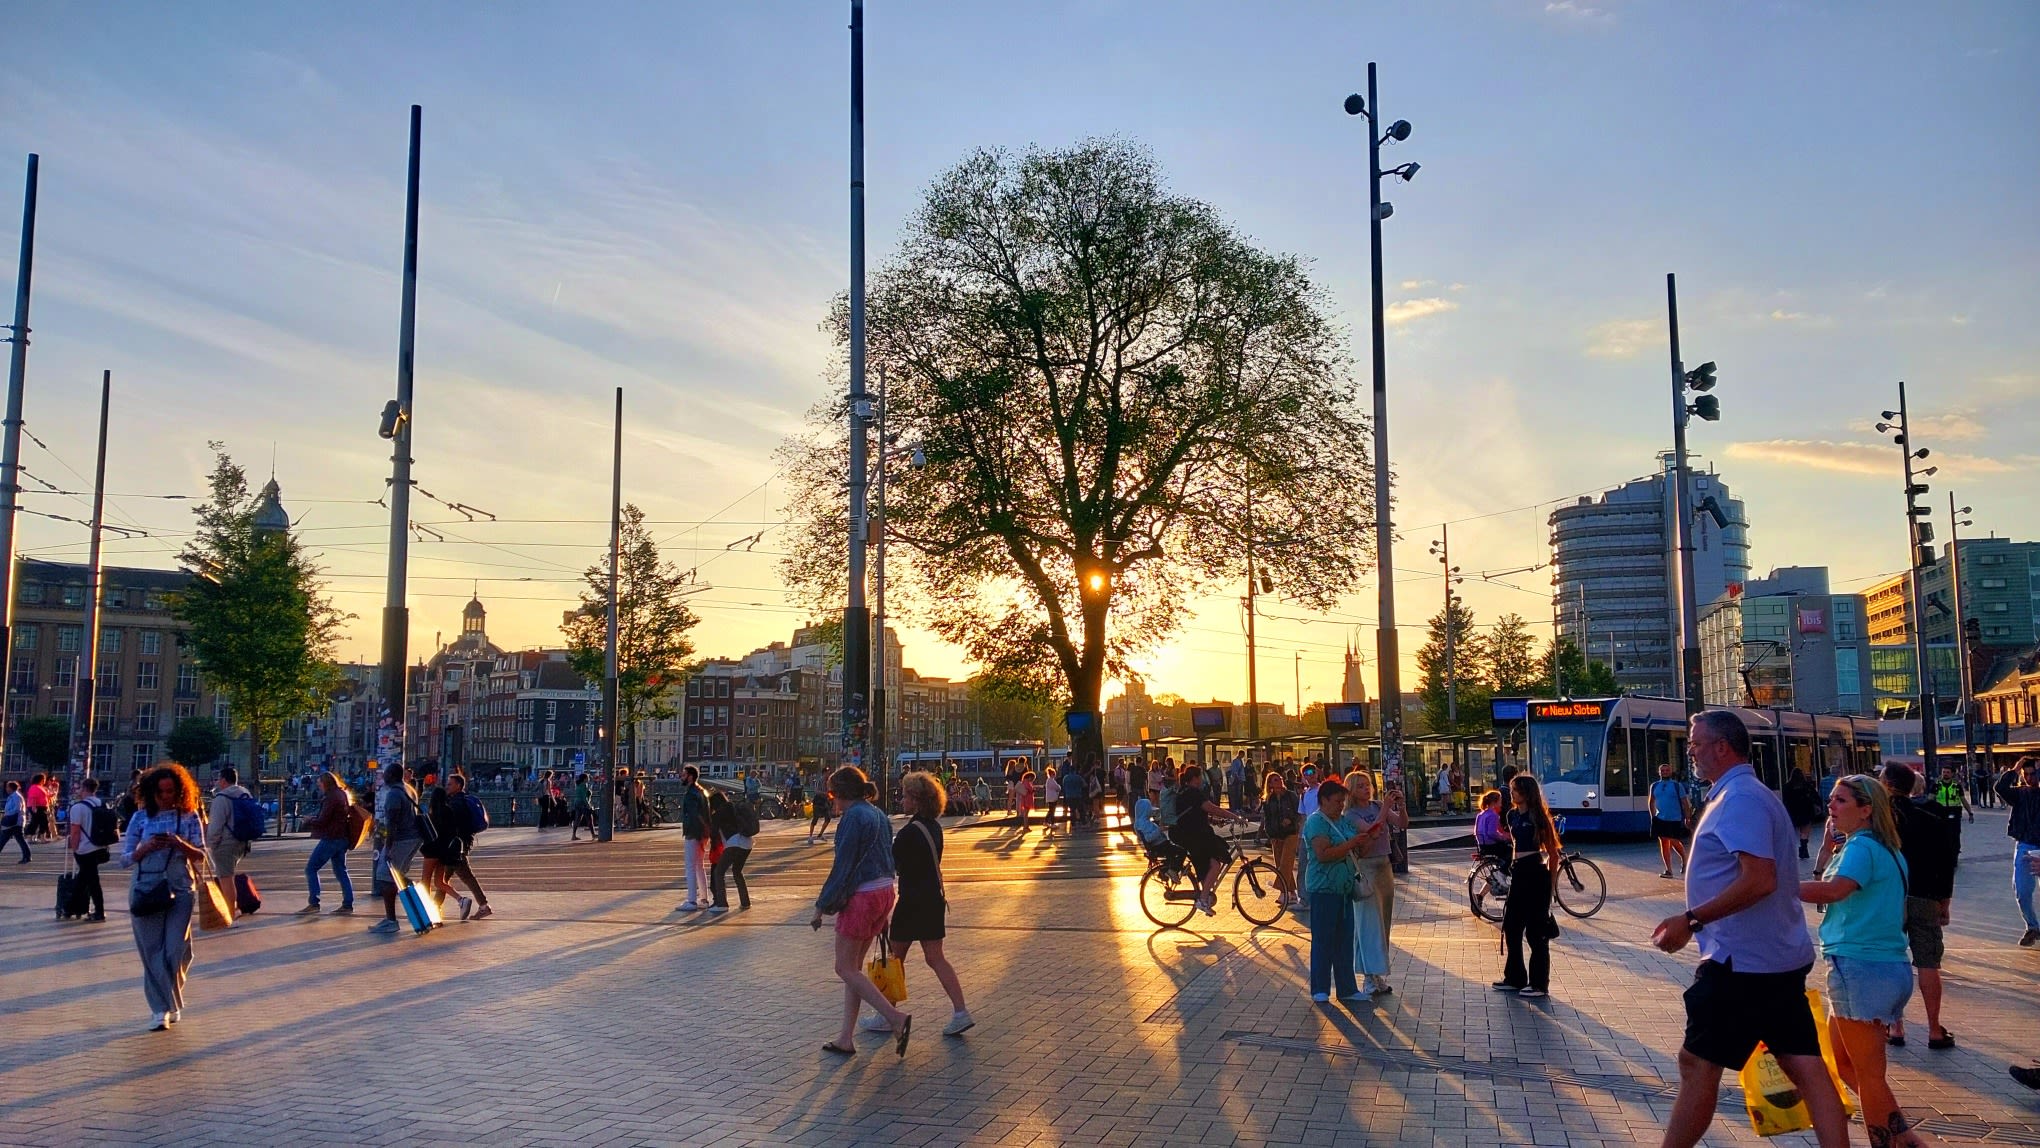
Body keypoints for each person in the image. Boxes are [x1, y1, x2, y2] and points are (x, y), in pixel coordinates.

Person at [1652, 710, 1849, 1148]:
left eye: (1696, 743)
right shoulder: (1744, 793)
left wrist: (1690, 920)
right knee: (1808, 1070)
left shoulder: (1740, 799)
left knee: (1697, 1065)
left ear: (1722, 747)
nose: (1691, 751)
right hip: (1772, 959)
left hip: (1740, 964)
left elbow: (1760, 879)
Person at [1799, 774, 1931, 1148]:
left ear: (1866, 809)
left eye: (1841, 801)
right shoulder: (1885, 849)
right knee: (1842, 1062)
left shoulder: (1861, 847)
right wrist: (1827, 849)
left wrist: (1775, 888)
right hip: (1882, 966)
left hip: (1861, 968)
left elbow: (1836, 890)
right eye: (1831, 799)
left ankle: (1887, 1141)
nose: (1831, 806)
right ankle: (1904, 1137)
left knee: (1869, 1075)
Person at [860, 771, 973, 1038]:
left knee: (895, 958)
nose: (902, 801)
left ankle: (887, 1015)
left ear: (917, 800)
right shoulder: (934, 827)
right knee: (935, 958)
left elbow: (891, 864)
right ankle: (961, 1011)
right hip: (933, 899)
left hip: (912, 901)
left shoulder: (911, 832)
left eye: (906, 796)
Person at [811, 766, 912, 1057]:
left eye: (832, 794)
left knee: (843, 968)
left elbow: (842, 867)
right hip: (883, 893)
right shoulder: (878, 814)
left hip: (863, 896)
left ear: (841, 794)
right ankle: (845, 1037)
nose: (831, 800)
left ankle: (896, 1019)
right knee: (853, 969)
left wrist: (821, 907)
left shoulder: (852, 818)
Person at [121, 763, 207, 1031]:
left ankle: (171, 1000)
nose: (166, 796)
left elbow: (202, 855)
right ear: (150, 792)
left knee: (175, 950)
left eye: (171, 791)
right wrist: (144, 848)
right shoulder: (139, 818)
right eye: (160, 792)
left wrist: (180, 844)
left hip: (181, 886)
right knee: (152, 951)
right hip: (146, 887)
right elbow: (124, 860)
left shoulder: (190, 816)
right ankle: (161, 1009)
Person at [1878, 763, 1955, 1050]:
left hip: (1888, 900)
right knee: (1928, 963)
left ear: (1885, 784)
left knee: (1893, 960)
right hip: (1925, 897)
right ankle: (1935, 1029)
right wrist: (1944, 901)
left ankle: (1895, 1026)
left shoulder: (1878, 820)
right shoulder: (1932, 819)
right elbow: (1947, 864)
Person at [1493, 774, 1562, 999]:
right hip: (1519, 871)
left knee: (1536, 931)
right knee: (1512, 926)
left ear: (1526, 792)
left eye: (1515, 790)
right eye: (1511, 790)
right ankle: (1515, 977)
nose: (1511, 794)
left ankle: (1539, 983)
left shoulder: (1538, 817)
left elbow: (1553, 853)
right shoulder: (1512, 815)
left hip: (1535, 871)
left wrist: (1551, 887)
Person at [1302, 779, 1365, 1002]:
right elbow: (1323, 854)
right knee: (1323, 938)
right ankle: (1320, 988)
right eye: (1337, 801)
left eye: (1343, 801)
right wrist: (1351, 844)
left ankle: (1347, 988)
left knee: (1344, 939)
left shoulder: (1344, 821)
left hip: (1345, 888)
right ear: (1324, 800)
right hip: (1324, 888)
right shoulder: (1316, 822)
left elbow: (1356, 846)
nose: (1341, 805)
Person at [1344, 770, 1407, 995]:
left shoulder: (1376, 805)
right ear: (1351, 789)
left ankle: (1378, 972)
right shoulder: (1350, 814)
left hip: (1384, 865)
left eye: (1367, 784)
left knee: (1384, 922)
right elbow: (1371, 830)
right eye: (1360, 785)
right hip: (1366, 867)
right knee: (1368, 923)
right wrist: (1384, 809)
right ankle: (1368, 975)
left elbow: (1401, 823)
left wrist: (1400, 806)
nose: (1366, 789)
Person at [1170, 767, 1242, 916]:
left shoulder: (1183, 791)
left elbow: (1194, 814)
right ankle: (1202, 899)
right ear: (1195, 778)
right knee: (1216, 864)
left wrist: (1214, 820)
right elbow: (1211, 808)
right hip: (1196, 836)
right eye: (1200, 777)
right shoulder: (1193, 793)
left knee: (1208, 866)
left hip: (1190, 834)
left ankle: (1205, 897)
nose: (1202, 779)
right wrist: (1234, 816)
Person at [369, 762, 424, 935]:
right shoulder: (408, 789)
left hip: (401, 839)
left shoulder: (393, 794)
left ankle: (391, 920)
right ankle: (420, 899)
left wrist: (389, 847)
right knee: (397, 875)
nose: (383, 776)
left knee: (385, 876)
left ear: (391, 775)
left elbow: (392, 823)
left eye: (385, 773)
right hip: (413, 837)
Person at [296, 771, 356, 915]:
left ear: (326, 783)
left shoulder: (331, 797)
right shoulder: (342, 794)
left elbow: (323, 820)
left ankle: (314, 903)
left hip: (331, 838)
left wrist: (309, 820)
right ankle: (348, 904)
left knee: (311, 868)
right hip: (342, 837)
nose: (319, 787)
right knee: (341, 871)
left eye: (320, 784)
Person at [435, 773, 493, 920]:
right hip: (460, 844)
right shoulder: (459, 801)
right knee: (446, 878)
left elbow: (451, 825)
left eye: (450, 784)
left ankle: (482, 905)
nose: (447, 787)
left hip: (455, 846)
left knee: (459, 877)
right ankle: (436, 907)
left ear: (458, 786)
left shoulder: (456, 804)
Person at [1998, 756, 2040, 946]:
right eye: (2027, 774)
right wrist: (2015, 769)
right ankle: (2032, 926)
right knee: (2022, 891)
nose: (2030, 778)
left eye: (2034, 774)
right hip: (2025, 845)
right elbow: (2000, 788)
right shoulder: (2020, 794)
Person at [205, 766, 254, 920]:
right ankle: (232, 908)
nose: (217, 782)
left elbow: (216, 826)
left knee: (225, 878)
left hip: (225, 843)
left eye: (219, 779)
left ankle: (230, 912)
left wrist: (210, 844)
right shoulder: (245, 793)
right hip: (243, 840)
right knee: (228, 875)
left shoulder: (221, 798)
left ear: (224, 780)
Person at [66, 777, 112, 921]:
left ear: (84, 788)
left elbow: (75, 831)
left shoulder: (78, 807)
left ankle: (99, 911)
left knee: (92, 880)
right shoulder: (103, 804)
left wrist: (74, 848)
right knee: (84, 878)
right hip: (101, 847)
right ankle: (70, 908)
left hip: (85, 849)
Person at [1261, 772, 1301, 909]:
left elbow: (1299, 812)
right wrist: (1270, 833)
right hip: (1276, 834)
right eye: (1275, 780)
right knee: (1281, 864)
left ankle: (1283, 892)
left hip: (1290, 832)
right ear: (1270, 783)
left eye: (1280, 779)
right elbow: (1267, 818)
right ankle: (1292, 892)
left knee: (1286, 861)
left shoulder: (1290, 796)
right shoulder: (1268, 799)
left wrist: (1290, 819)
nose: (1279, 782)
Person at [708, 789, 753, 912]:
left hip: (734, 844)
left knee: (719, 872)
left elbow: (713, 833)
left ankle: (722, 904)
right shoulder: (734, 807)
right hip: (748, 842)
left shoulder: (718, 814)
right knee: (737, 871)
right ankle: (745, 902)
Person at [1649, 762, 1693, 879]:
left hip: (1674, 818)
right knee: (1664, 843)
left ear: (1670, 772)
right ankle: (1668, 870)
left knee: (1673, 841)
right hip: (1660, 818)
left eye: (1667, 770)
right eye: (1662, 771)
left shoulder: (1677, 786)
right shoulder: (1654, 786)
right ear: (1659, 772)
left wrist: (1687, 817)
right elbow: (1651, 801)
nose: (1664, 772)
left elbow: (1684, 803)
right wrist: (1653, 816)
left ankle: (1684, 858)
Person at [677, 766, 711, 911]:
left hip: (693, 832)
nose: (681, 777)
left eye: (684, 775)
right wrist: (707, 830)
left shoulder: (691, 794)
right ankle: (704, 898)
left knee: (690, 866)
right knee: (699, 865)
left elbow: (693, 814)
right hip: (703, 834)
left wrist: (695, 830)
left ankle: (691, 900)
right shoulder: (702, 791)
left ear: (690, 776)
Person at [1784, 765, 1822, 860]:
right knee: (1805, 831)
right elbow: (1815, 796)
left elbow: (1785, 800)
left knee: (1793, 830)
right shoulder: (1806, 785)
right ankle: (1804, 847)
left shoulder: (1787, 786)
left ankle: (1793, 849)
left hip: (1793, 811)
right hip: (1806, 810)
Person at [1473, 789, 1510, 875]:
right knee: (1510, 851)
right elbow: (1491, 833)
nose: (1501, 803)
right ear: (1495, 802)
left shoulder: (1480, 814)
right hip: (1491, 845)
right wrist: (1503, 837)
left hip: (1482, 846)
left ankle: (1498, 870)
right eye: (1500, 801)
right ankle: (1503, 873)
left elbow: (1476, 831)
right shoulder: (1493, 815)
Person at [1, 780, 29, 863]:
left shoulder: (16, 796)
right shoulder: (12, 796)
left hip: (15, 822)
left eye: (7, 787)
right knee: (19, 839)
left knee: (3, 839)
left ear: (11, 788)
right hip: (13, 822)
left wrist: (7, 814)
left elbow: (17, 809)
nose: (6, 788)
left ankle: (27, 856)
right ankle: (27, 856)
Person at [806, 770, 836, 845]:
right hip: (818, 800)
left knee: (828, 818)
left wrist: (831, 796)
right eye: (827, 773)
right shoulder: (819, 781)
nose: (828, 775)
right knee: (815, 818)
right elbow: (816, 791)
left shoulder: (829, 782)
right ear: (824, 773)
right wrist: (825, 793)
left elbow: (830, 791)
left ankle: (820, 834)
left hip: (825, 801)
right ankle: (810, 836)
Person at [570, 773, 596, 840]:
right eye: (588, 778)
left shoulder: (578, 785)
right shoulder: (584, 785)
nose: (589, 779)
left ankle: (573, 835)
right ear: (585, 779)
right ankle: (593, 834)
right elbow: (585, 797)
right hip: (582, 803)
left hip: (577, 802)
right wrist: (588, 805)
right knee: (589, 818)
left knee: (578, 818)